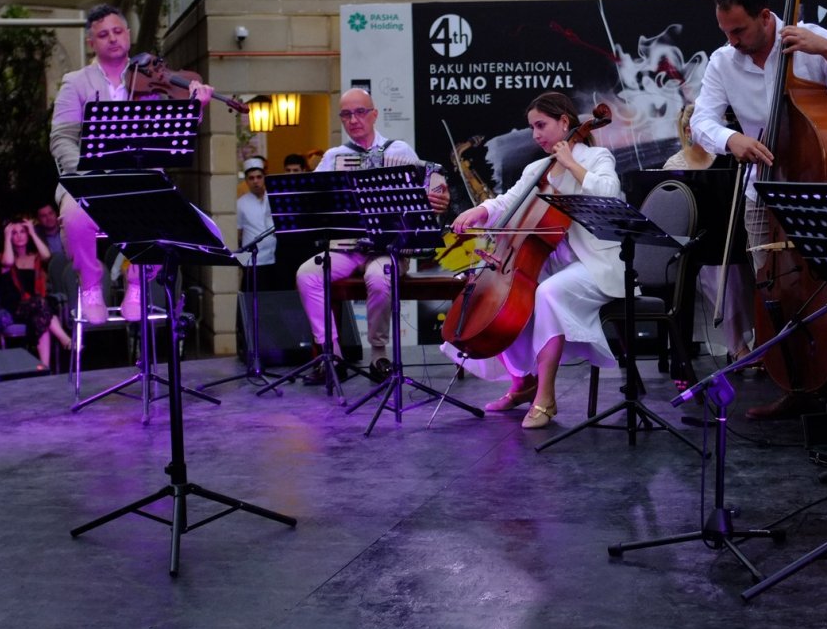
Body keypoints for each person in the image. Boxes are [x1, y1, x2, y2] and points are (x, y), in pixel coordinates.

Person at [688, 0, 827, 416]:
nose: (732, 40)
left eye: (738, 30)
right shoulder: (723, 61)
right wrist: (730, 139)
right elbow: (702, 121)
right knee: (773, 287)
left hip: (821, 186)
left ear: (764, 17)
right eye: (725, 32)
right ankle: (798, 383)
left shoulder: (812, 40)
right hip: (763, 189)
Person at [447, 91, 624, 429]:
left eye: (541, 125)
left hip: (595, 266)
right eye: (531, 128)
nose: (536, 135)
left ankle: (546, 396)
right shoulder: (536, 168)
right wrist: (479, 210)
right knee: (498, 300)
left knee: (547, 294)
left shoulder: (598, 156)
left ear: (564, 122)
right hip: (555, 264)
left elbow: (607, 193)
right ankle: (522, 382)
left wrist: (571, 163)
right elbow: (507, 202)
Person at [49, 3, 215, 324]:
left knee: (165, 211)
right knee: (73, 214)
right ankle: (90, 283)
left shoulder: (151, 77)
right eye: (102, 34)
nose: (112, 39)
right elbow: (62, 138)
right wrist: (85, 172)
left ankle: (138, 280)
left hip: (141, 176)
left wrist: (196, 107)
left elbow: (173, 134)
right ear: (91, 43)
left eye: (117, 31)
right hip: (91, 178)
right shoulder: (75, 82)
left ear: (127, 34)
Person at [295, 89, 448, 378]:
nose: (353, 120)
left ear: (374, 114)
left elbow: (428, 196)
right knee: (307, 274)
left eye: (360, 112)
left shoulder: (399, 151)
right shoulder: (335, 157)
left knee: (378, 278)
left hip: (390, 249)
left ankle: (378, 354)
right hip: (348, 248)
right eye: (346, 114)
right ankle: (331, 354)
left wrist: (437, 199)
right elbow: (312, 200)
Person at [662, 103, 750, 361]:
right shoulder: (674, 164)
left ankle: (758, 339)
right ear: (689, 131)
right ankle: (738, 346)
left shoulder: (726, 162)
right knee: (723, 274)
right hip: (694, 247)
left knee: (738, 267)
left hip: (727, 241)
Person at [0, 218, 72, 371]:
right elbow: (8, 262)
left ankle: (45, 367)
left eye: (23, 232)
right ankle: (65, 339)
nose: (19, 236)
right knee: (42, 306)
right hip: (14, 307)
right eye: (14, 233)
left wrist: (33, 232)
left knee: (41, 317)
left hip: (37, 307)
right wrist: (6, 236)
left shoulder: (35, 257)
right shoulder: (3, 257)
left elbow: (47, 255)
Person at [237, 157, 276, 268]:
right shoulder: (240, 203)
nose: (255, 181)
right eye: (251, 178)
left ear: (264, 178)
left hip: (273, 258)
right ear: (246, 181)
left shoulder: (273, 198)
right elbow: (238, 235)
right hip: (252, 262)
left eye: (259, 177)